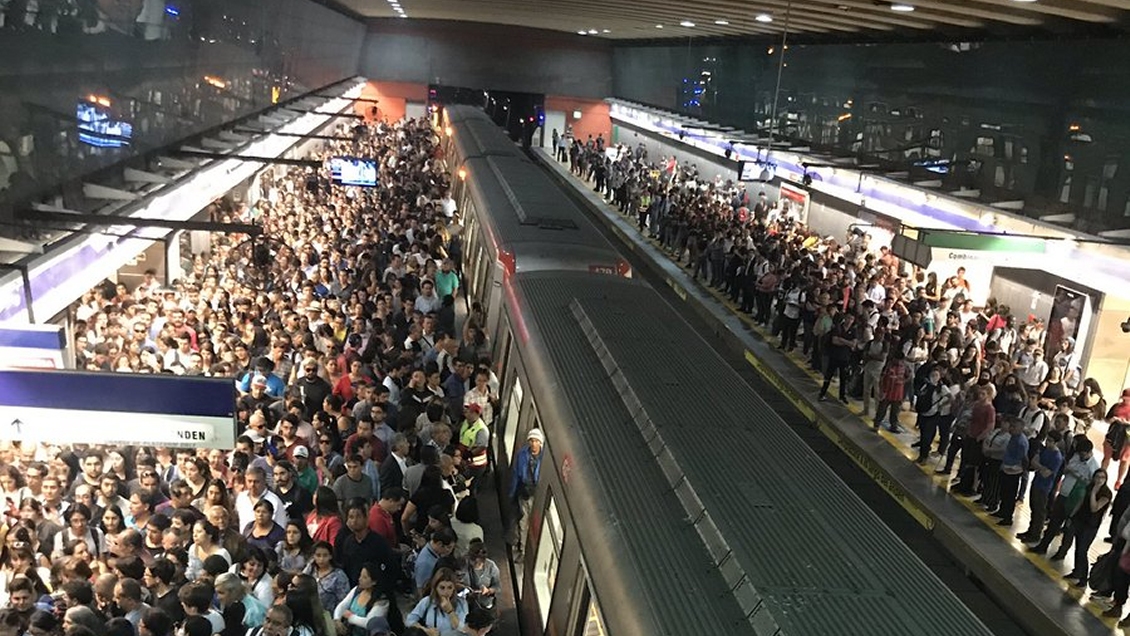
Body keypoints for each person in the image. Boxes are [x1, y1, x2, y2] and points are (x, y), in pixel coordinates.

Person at [1066, 468, 1112, 588]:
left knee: (1083, 550)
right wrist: (1072, 516)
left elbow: (1094, 508)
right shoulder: (1089, 486)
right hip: (1080, 520)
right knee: (1077, 547)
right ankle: (1076, 571)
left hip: (1091, 525)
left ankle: (1083, 577)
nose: (1099, 480)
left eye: (1102, 478)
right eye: (1097, 477)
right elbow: (1081, 502)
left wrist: (1093, 493)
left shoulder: (1106, 493)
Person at [508, 429, 544, 556]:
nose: (534, 444)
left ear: (541, 443)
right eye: (532, 441)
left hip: (538, 494)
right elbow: (516, 474)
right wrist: (512, 493)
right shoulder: (522, 454)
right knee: (523, 521)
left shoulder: (545, 457)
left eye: (536, 441)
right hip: (524, 493)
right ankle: (523, 548)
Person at [405, 568, 468, 636]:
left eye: (450, 587)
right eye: (442, 588)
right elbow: (409, 621)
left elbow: (463, 629)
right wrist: (425, 630)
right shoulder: (427, 601)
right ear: (435, 588)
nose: (446, 592)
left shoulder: (462, 603)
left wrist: (450, 612)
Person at [332, 563, 389, 636]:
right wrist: (337, 619)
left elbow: (369, 623)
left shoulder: (381, 601)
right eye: (360, 575)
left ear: (374, 582)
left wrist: (351, 617)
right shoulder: (357, 590)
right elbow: (342, 605)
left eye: (364, 577)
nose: (360, 579)